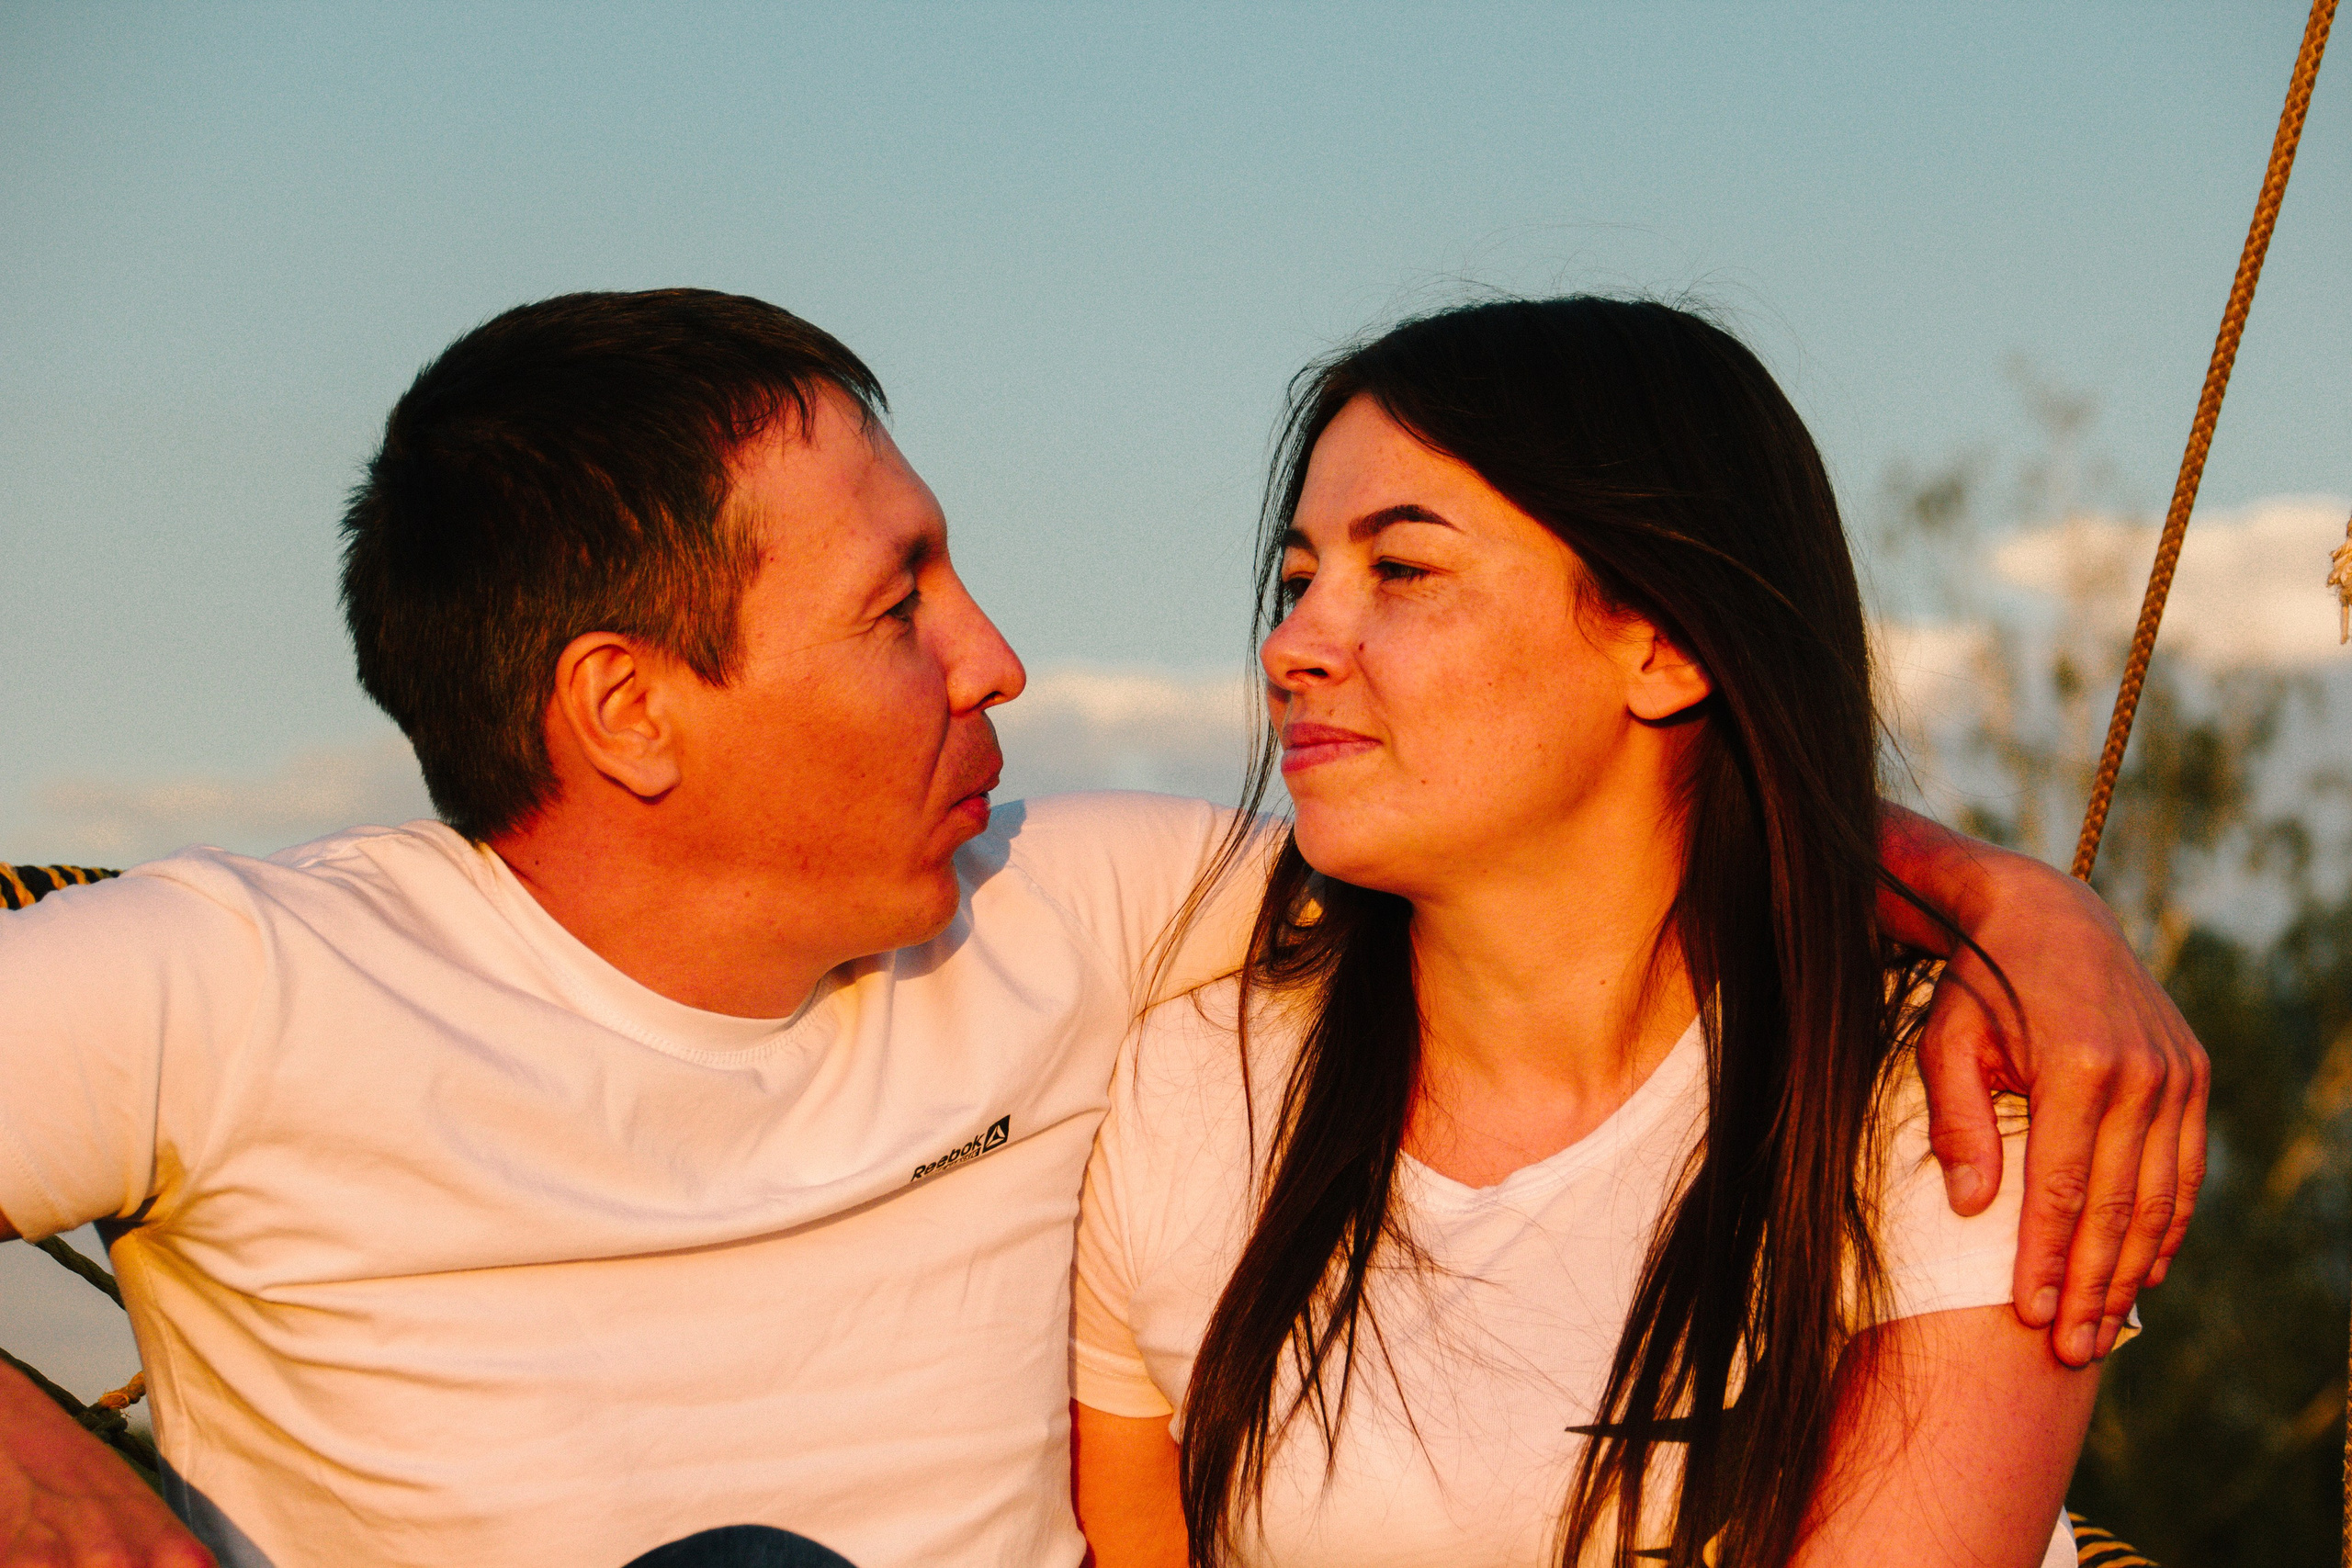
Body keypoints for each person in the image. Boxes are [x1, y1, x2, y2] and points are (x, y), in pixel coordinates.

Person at [0, 290, 2200, 1568]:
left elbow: (1604, 857)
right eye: (895, 607)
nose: (997, 657)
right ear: (628, 712)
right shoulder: (231, 992)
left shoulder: (1093, 910)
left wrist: (2022, 905)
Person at [1069, 298, 2143, 1568]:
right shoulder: (1197, 1088)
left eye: (1401, 569)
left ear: (1667, 644)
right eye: (1299, 579)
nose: (1292, 644)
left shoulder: (1934, 1097)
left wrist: (2016, 907)